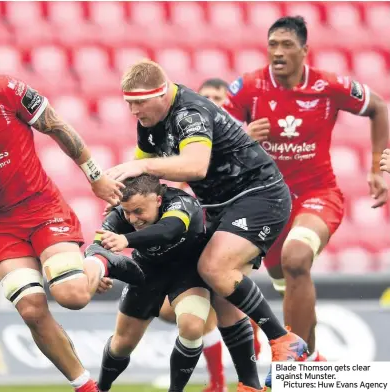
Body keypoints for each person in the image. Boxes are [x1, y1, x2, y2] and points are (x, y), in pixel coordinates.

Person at [0, 40, 143, 392]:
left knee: (73, 296)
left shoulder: (5, 89)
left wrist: (95, 176)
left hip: (43, 207)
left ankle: (98, 261)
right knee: (32, 310)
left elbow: (56, 126)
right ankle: (86, 386)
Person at [106, 59, 309, 391]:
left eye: (139, 102)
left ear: (161, 93)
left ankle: (285, 342)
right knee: (221, 296)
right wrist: (115, 200)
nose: (134, 111)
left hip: (258, 194)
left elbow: (196, 166)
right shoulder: (151, 121)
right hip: (220, 206)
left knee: (213, 267)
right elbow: (141, 178)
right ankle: (251, 383)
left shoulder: (189, 113)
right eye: (129, 103)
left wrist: (134, 166)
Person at [223, 16, 389, 364]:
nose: (278, 53)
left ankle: (291, 365)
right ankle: (311, 364)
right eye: (272, 45)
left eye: (286, 45)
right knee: (288, 282)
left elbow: (379, 108)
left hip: (318, 194)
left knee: (296, 258)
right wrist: (244, 137)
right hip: (268, 202)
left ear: (304, 50)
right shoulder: (248, 88)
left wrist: (377, 168)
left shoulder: (329, 86)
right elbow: (213, 137)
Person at [90, 174, 212, 392]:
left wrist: (126, 239)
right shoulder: (121, 215)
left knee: (192, 327)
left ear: (157, 200)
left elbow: (170, 229)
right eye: (127, 211)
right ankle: (102, 388)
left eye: (138, 211)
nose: (133, 219)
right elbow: (97, 247)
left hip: (188, 272)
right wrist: (97, 270)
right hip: (146, 273)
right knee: (121, 346)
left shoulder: (180, 203)